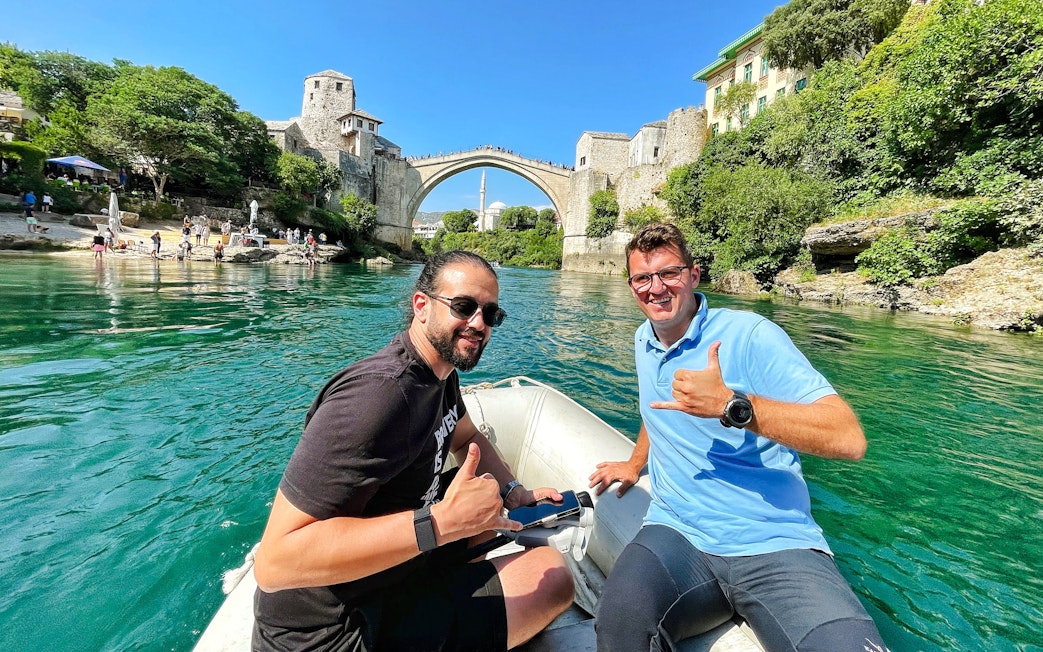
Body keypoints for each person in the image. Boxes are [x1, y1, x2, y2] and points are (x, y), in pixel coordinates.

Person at [252, 250, 574, 651]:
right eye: (464, 307)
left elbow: (466, 437)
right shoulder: (378, 397)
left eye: (490, 314)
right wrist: (440, 523)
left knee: (484, 491)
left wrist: (513, 492)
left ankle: (445, 600)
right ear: (421, 306)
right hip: (334, 631)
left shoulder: (439, 371)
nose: (478, 325)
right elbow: (274, 563)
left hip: (392, 573)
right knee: (553, 576)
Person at [589, 223, 886, 652]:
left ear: (693, 275)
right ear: (632, 286)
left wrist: (733, 405)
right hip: (678, 531)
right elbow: (654, 409)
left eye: (669, 273)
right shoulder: (644, 338)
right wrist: (636, 464)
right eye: (642, 278)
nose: (656, 288)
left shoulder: (749, 335)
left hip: (776, 542)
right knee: (618, 624)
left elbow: (849, 437)